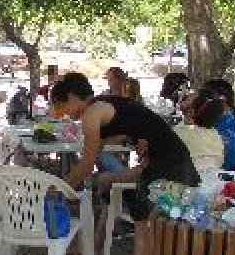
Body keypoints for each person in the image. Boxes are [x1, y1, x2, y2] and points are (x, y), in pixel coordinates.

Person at [50, 72, 198, 255]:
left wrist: (58, 191)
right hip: (172, 160)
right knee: (109, 189)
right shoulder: (103, 103)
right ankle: (95, 248)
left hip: (167, 167)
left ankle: (97, 248)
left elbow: (86, 165)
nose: (62, 112)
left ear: (71, 97)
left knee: (147, 227)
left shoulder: (91, 114)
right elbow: (94, 155)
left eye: (60, 105)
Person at [202, 78, 235, 172]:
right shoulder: (215, 121)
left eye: (205, 98)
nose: (201, 102)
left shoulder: (233, 133)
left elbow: (224, 166)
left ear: (222, 100)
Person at [174, 87, 226, 175]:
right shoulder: (216, 136)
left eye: (187, 99)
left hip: (181, 182)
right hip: (210, 181)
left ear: (190, 112)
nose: (188, 95)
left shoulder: (179, 133)